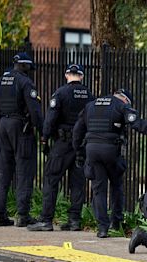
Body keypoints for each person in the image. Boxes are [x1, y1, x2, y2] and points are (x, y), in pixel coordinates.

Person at [73, 88, 147, 238]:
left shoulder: (91, 105)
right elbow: (140, 125)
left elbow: (77, 131)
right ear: (125, 99)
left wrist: (79, 153)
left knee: (98, 189)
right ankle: (116, 222)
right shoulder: (121, 106)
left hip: (92, 149)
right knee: (116, 186)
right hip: (111, 150)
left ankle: (102, 228)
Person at [27, 64, 95, 232]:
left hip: (63, 143)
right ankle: (74, 220)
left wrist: (44, 138)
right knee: (77, 183)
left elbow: (50, 119)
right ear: (81, 76)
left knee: (51, 178)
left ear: (66, 75)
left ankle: (46, 220)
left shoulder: (61, 93)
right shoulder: (90, 95)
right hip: (81, 145)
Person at [0, 52, 43, 227]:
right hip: (21, 128)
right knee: (24, 171)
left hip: (3, 125)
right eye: (29, 67)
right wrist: (42, 131)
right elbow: (34, 111)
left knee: (3, 172)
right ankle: (23, 215)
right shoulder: (25, 82)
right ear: (24, 66)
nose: (30, 71)